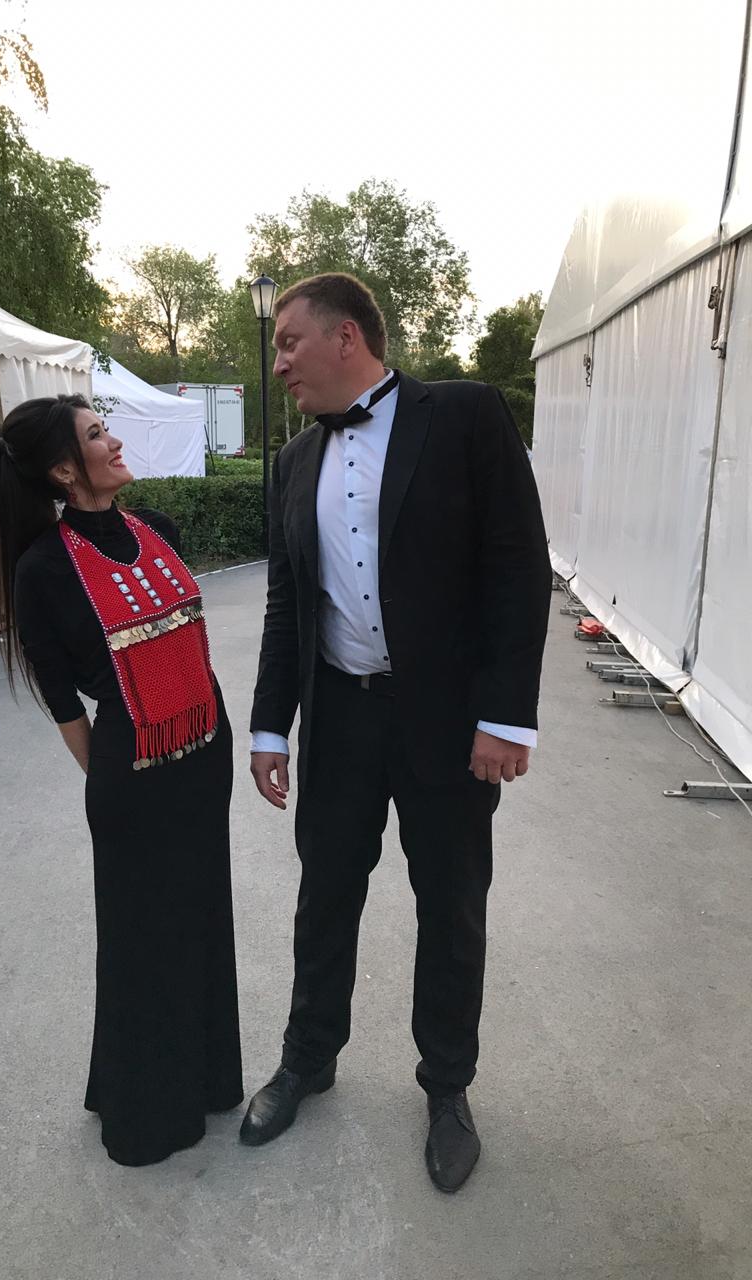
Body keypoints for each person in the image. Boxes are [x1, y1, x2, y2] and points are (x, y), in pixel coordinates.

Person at [242, 275, 550, 1192]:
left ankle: (447, 1087)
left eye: (289, 342)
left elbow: (516, 566)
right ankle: (308, 1058)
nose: (279, 362)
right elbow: (287, 602)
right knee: (324, 895)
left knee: (450, 905)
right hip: (339, 714)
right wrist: (270, 727)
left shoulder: (465, 416)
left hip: (448, 723)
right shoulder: (294, 462)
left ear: (347, 337)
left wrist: (505, 717)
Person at [0, 394, 242, 1167]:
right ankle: (147, 1115)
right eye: (98, 434)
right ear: (65, 470)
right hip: (134, 771)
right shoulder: (42, 570)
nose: (115, 441)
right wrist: (113, 780)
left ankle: (208, 1081)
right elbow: (63, 700)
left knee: (202, 919)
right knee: (141, 941)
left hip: (206, 756)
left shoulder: (158, 529)